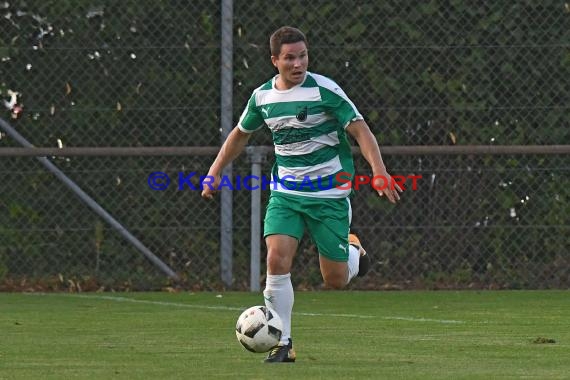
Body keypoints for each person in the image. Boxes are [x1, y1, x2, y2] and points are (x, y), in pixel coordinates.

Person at [202, 26, 402, 363]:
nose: (298, 64)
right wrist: (214, 171)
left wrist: (379, 172)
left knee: (335, 280)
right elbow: (240, 134)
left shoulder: (325, 91)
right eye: (290, 58)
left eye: (303, 56)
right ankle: (283, 343)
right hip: (286, 193)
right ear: (274, 61)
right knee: (276, 259)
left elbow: (359, 129)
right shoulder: (262, 97)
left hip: (330, 194)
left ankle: (353, 250)